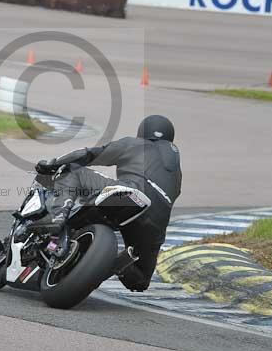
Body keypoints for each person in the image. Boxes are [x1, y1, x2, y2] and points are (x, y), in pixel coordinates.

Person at [33, 115, 182, 292]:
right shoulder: (176, 169)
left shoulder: (136, 144)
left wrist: (52, 164)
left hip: (130, 193)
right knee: (140, 281)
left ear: (143, 132)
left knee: (72, 170)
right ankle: (113, 263)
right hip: (156, 222)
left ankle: (57, 217)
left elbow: (88, 154)